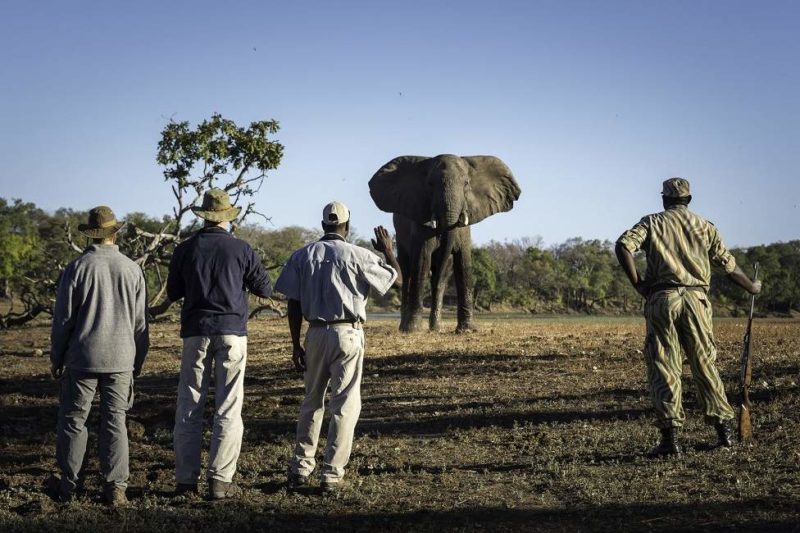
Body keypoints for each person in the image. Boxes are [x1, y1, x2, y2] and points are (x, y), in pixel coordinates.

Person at [615, 177, 762, 456]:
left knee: (664, 364)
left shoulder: (651, 222)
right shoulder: (705, 226)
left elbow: (623, 246)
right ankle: (724, 433)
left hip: (662, 298)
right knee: (705, 363)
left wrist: (638, 284)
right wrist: (752, 287)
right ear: (689, 200)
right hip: (697, 300)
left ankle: (671, 441)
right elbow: (729, 267)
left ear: (663, 199)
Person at [149, 188, 273, 500]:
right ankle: (220, 481)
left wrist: (160, 309)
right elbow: (264, 288)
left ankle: (186, 481)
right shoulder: (241, 248)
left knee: (189, 405)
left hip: (194, 332)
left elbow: (174, 292)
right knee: (228, 407)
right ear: (228, 218)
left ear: (204, 216)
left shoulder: (185, 249)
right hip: (231, 332)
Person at [276, 201, 401, 493]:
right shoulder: (359, 255)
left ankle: (300, 468)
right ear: (347, 225)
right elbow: (398, 281)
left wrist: (296, 344)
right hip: (348, 332)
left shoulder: (303, 255)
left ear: (323, 225)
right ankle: (331, 474)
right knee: (344, 404)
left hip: (315, 333)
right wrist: (388, 250)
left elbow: (293, 304)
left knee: (311, 401)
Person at [50, 206, 149, 506]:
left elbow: (63, 321)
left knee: (74, 420)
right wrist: (139, 360)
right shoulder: (132, 268)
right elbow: (140, 324)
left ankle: (68, 485)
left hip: (82, 357)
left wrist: (57, 356)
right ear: (114, 233)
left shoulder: (77, 268)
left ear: (90, 235)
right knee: (115, 421)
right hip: (121, 358)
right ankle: (116, 487)